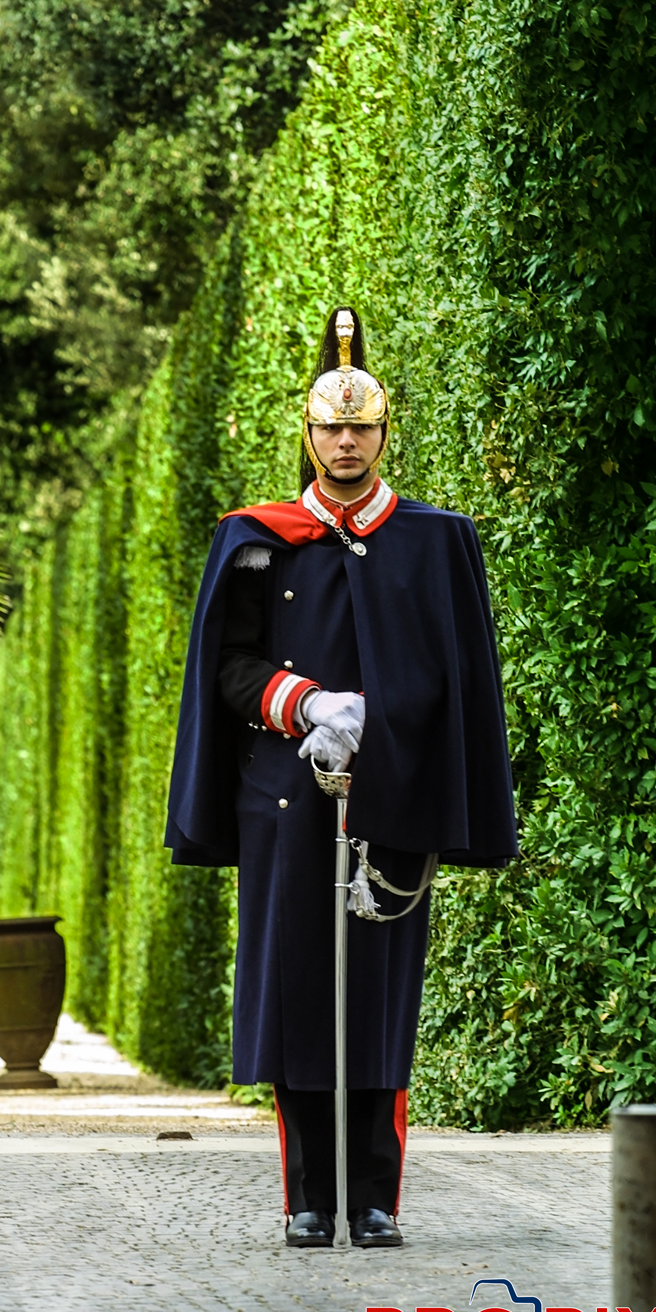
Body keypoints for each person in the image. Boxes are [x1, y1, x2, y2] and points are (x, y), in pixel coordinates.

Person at [166, 306, 518, 1248]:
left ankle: (374, 1197)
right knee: (298, 995)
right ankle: (308, 1196)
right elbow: (226, 668)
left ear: (384, 433)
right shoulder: (258, 539)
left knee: (380, 998)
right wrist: (305, 703)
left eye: (361, 428)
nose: (347, 443)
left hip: (393, 796)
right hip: (286, 796)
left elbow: (460, 677)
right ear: (309, 434)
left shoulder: (435, 541)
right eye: (331, 428)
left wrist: (387, 718)